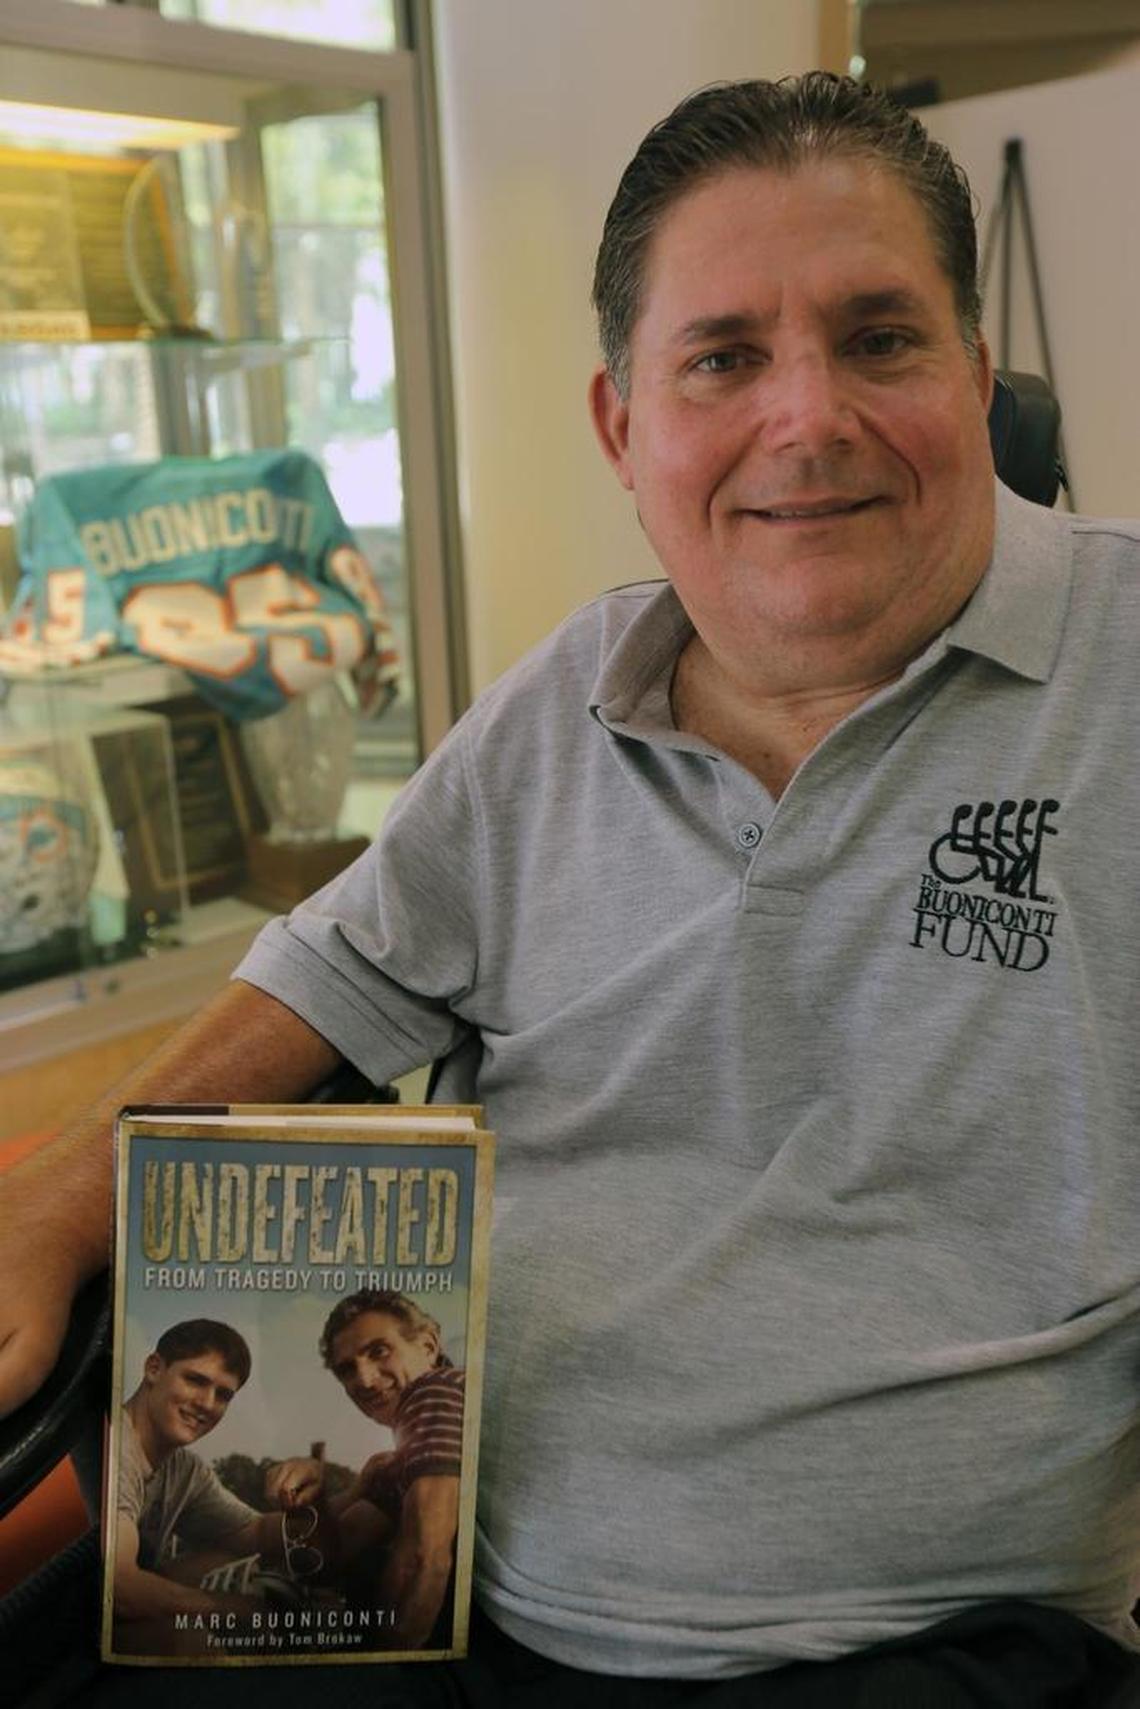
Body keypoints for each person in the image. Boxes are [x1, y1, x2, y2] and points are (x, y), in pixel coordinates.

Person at [2, 71, 1139, 1703]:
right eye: (724, 357)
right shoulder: (560, 699)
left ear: (975, 367)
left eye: (881, 337)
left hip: (926, 1642)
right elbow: (325, 981)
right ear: (626, 426)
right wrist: (49, 1202)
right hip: (436, 1602)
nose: (805, 417)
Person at [267, 1289, 465, 1651]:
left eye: (379, 1351)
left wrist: (376, 1675)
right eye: (346, 1369)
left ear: (428, 1345)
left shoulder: (433, 1391)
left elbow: (425, 1560)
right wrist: (325, 1490)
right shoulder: (403, 1457)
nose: (366, 1380)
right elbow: (330, 1560)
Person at [114, 1319, 279, 1630]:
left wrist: (333, 1498)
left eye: (223, 1395)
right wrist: (246, 1611)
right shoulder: (114, 1445)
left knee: (222, 1554)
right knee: (185, 1636)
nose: (206, 1404)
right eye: (195, 1380)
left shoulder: (185, 1469)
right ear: (154, 1368)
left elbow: (258, 1534)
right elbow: (117, 1586)